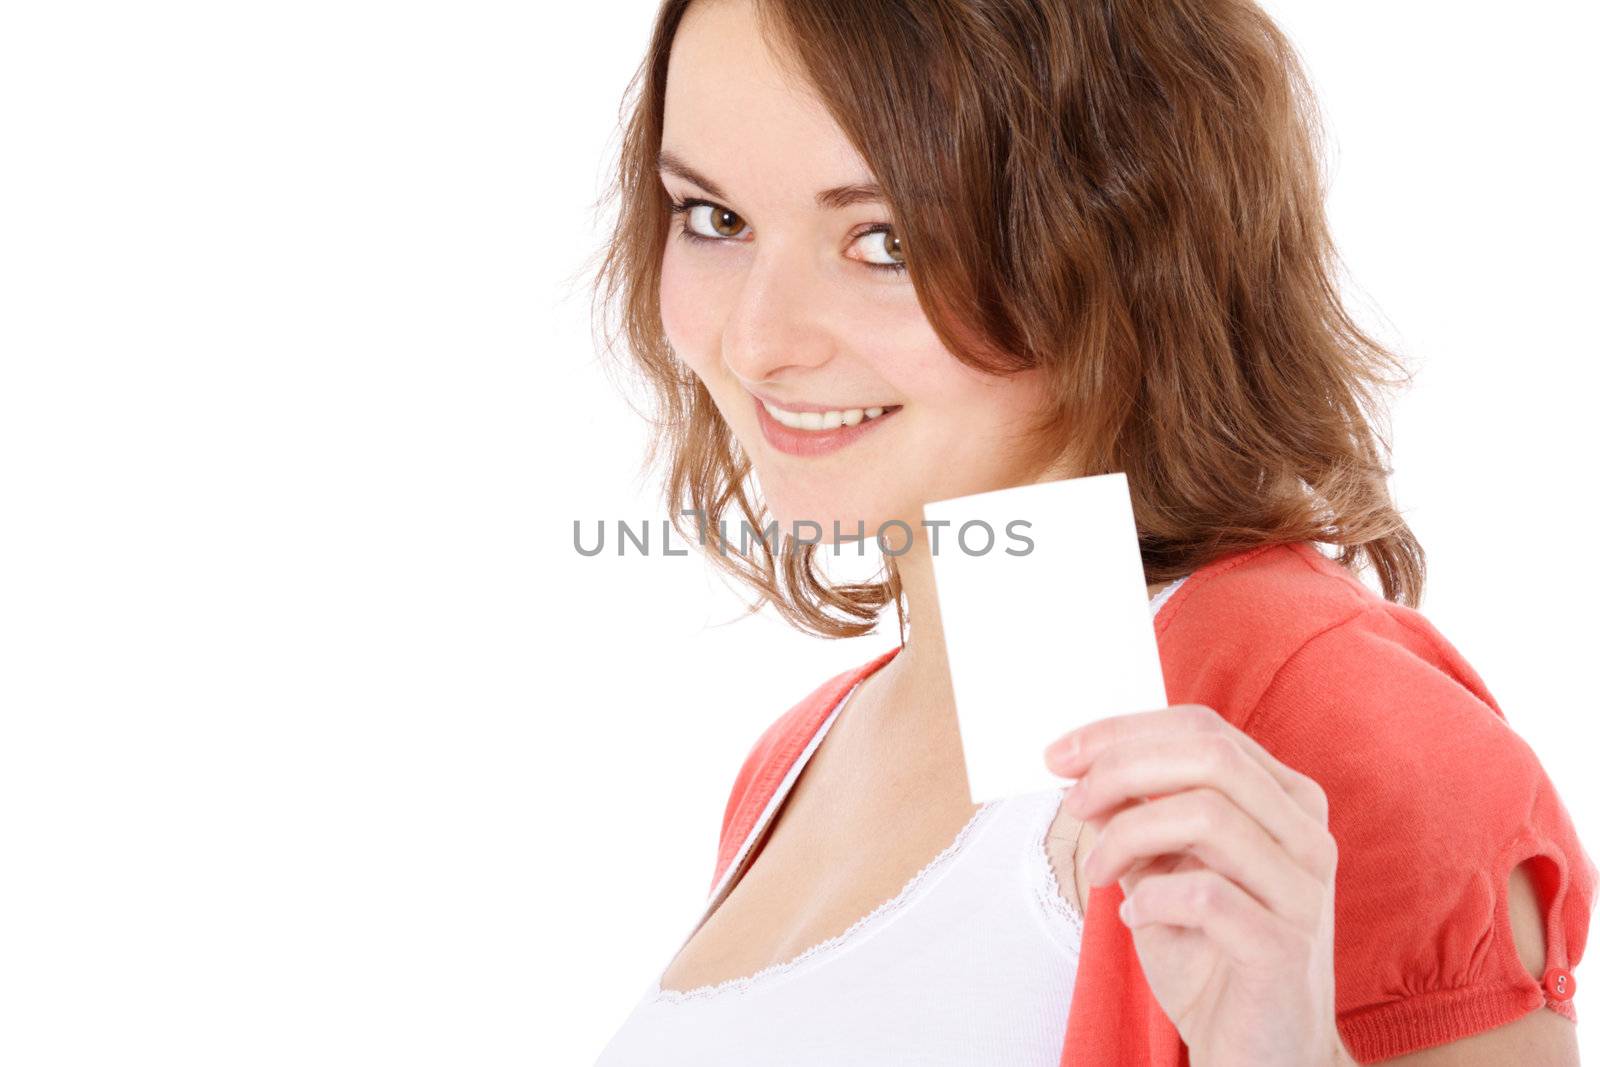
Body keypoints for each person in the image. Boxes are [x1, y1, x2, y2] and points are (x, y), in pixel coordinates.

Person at [585, 1, 1595, 1063]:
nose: (757, 339)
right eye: (712, 218)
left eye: (885, 239)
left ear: (1123, 241)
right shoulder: (800, 755)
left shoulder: (1316, 704)